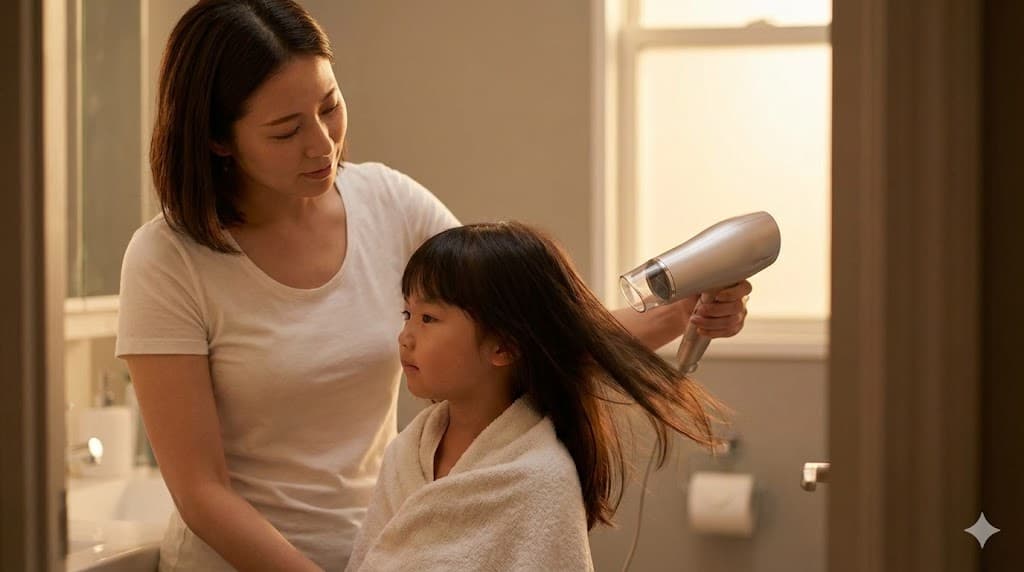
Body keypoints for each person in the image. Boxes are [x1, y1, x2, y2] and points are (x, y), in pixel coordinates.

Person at [116, 1, 752, 571]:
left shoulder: (388, 203)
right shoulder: (168, 260)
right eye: (286, 130)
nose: (322, 143)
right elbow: (202, 492)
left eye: (330, 106)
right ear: (217, 139)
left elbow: (532, 333)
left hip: (381, 550)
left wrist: (686, 310)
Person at [345, 222, 728, 571]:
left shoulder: (540, 479)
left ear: (503, 347)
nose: (405, 337)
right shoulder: (405, 453)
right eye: (406, 314)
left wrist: (685, 309)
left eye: (428, 318)